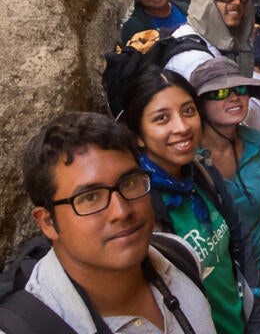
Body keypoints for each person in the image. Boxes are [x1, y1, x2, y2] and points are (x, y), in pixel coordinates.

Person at [19, 111, 216, 333]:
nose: (121, 211)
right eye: (90, 197)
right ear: (48, 223)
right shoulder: (33, 326)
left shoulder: (177, 255)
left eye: (130, 183)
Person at [122, 66, 260, 334]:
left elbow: (239, 238)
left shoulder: (201, 172)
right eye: (162, 118)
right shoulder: (139, 209)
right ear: (139, 136)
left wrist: (254, 313)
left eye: (188, 111)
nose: (182, 126)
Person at [189, 57, 260, 334]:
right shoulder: (189, 164)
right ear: (199, 105)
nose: (234, 97)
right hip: (218, 283)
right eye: (220, 92)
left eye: (240, 89)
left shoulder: (259, 144)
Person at [165, 0, 260, 132]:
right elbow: (244, 127)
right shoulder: (195, 61)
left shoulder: (200, 39)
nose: (237, 2)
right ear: (204, 1)